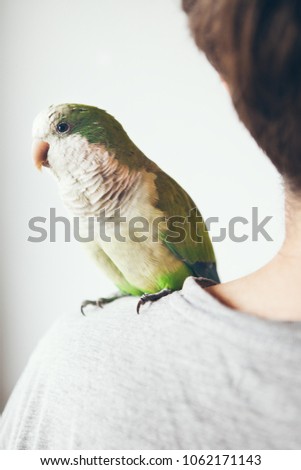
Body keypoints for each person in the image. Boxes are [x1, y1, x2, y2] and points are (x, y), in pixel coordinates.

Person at [1, 0, 301, 450]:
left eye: (61, 129)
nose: (43, 147)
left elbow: (201, 273)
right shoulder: (82, 219)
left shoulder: (155, 190)